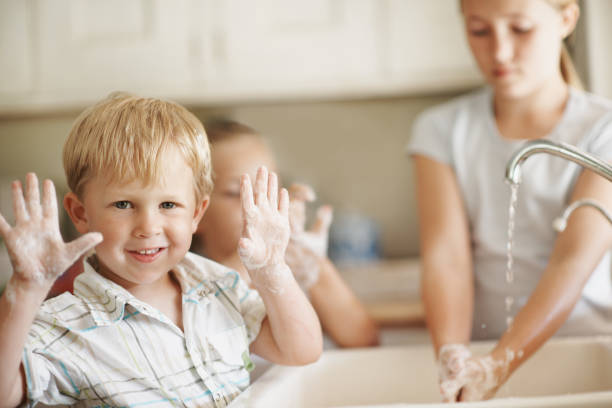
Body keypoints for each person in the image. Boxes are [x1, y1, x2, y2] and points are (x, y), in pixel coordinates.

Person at [0, 93, 322, 407]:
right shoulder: (67, 326)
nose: (149, 227)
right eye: (123, 204)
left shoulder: (219, 288)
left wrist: (271, 270)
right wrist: (25, 290)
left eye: (168, 204)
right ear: (81, 213)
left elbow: (301, 349)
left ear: (197, 213)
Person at [407, 0, 612, 402]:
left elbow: (572, 260)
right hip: (484, 346)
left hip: (588, 343)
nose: (499, 52)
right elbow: (447, 257)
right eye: (479, 31)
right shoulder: (440, 129)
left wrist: (501, 364)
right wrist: (453, 353)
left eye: (520, 29)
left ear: (566, 20)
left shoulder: (603, 129)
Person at [192, 119, 379, 349]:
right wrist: (256, 261)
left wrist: (315, 268)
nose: (260, 202)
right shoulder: (186, 279)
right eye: (237, 192)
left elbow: (364, 340)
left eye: (269, 186)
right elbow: (202, 313)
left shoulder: (291, 266)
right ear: (196, 211)